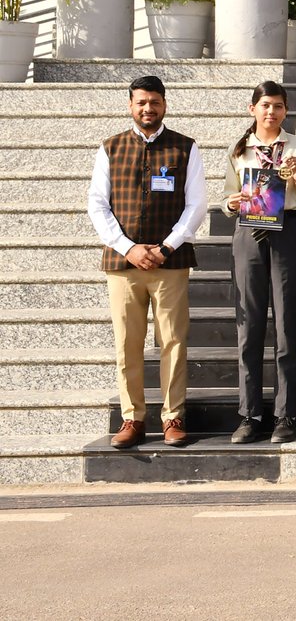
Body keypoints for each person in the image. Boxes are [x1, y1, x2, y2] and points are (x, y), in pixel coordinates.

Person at [90, 76, 206, 449]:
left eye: (154, 102)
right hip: (123, 264)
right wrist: (128, 248)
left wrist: (165, 248)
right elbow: (97, 204)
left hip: (170, 263)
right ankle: (132, 418)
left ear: (164, 104)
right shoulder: (110, 147)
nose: (148, 108)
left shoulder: (185, 147)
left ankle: (173, 417)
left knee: (173, 341)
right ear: (130, 105)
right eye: (141, 102)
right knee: (127, 343)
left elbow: (196, 205)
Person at [221, 82, 296, 444]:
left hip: (287, 229)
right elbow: (227, 196)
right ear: (252, 109)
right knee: (250, 327)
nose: (271, 112)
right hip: (249, 232)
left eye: (278, 106)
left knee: (287, 325)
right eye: (265, 106)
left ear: (286, 110)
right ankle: (250, 413)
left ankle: (286, 413)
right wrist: (231, 203)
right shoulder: (240, 148)